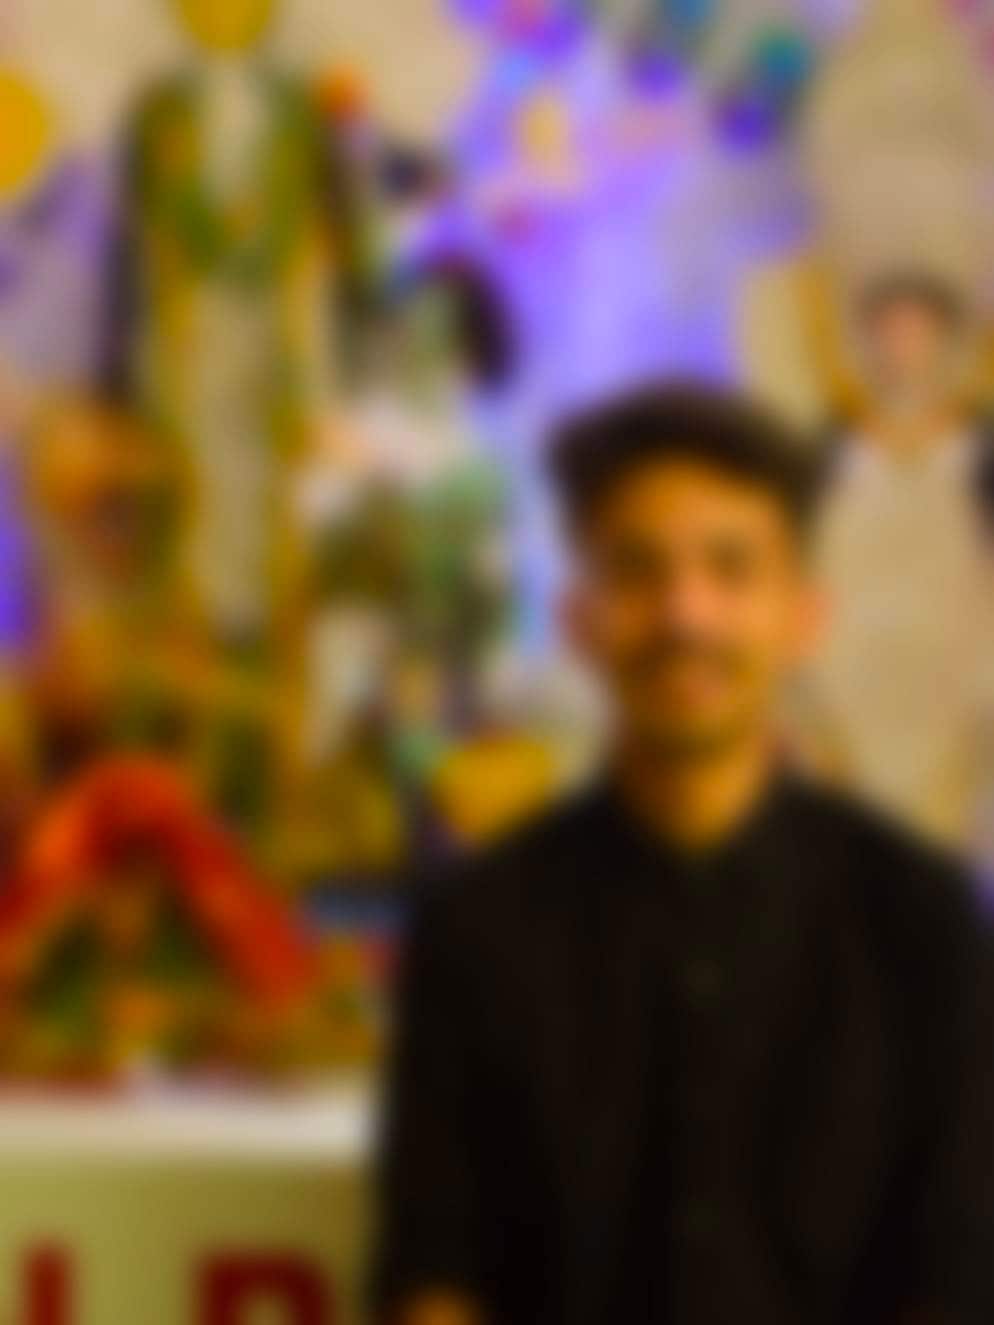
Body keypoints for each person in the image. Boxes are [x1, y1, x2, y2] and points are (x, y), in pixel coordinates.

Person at [371, 384, 994, 1325]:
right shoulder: (475, 927)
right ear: (579, 617)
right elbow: (433, 1274)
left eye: (732, 569)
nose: (685, 614)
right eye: (638, 569)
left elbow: (955, 1275)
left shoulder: (922, 921)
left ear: (802, 616)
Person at [805, 272, 994, 851]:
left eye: (916, 334)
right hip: (852, 670)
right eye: (889, 333)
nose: (902, 349)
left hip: (955, 672)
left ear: (945, 344)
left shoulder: (979, 446)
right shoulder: (834, 445)